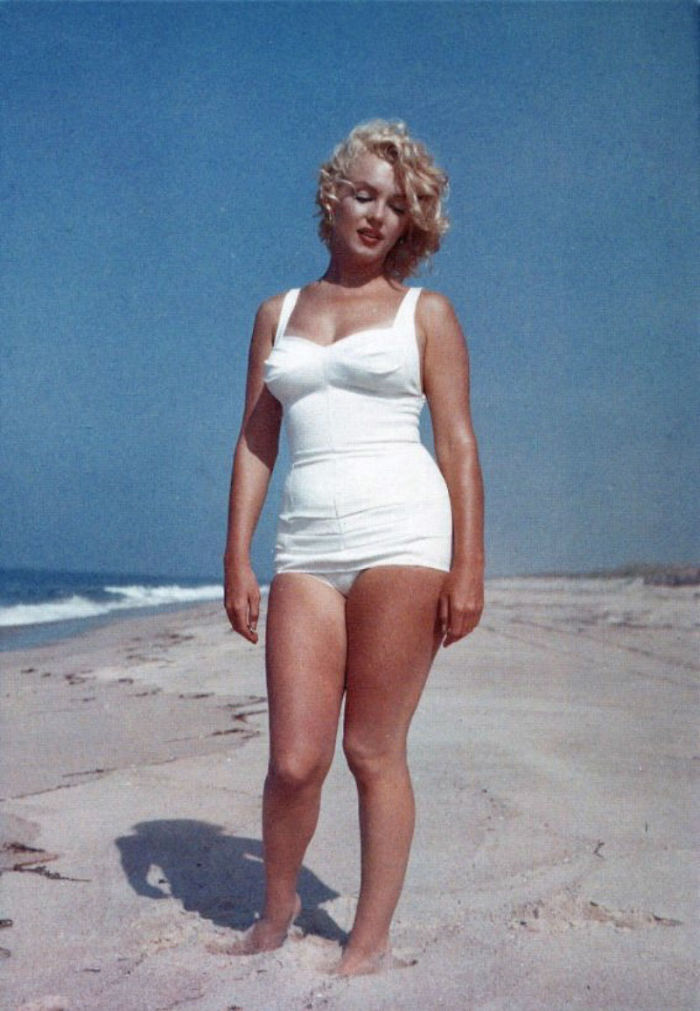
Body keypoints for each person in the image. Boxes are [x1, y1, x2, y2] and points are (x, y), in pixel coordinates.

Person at [223, 119, 484, 976]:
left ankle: (367, 941)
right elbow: (257, 439)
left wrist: (470, 566)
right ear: (333, 196)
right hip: (305, 543)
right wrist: (236, 555)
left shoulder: (426, 314)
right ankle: (277, 910)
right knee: (295, 761)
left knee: (372, 749)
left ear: (412, 223)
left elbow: (457, 442)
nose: (377, 215)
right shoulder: (277, 314)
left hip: (404, 537)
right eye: (364, 195)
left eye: (396, 205)